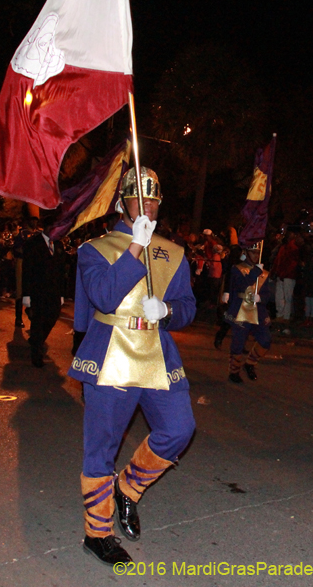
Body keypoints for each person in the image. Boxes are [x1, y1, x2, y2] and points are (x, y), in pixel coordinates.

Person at [68, 167, 196, 566]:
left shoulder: (173, 252)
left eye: (154, 199)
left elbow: (189, 307)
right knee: (101, 450)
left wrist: (170, 310)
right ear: (124, 203)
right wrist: (135, 250)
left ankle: (128, 489)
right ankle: (98, 533)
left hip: (157, 354)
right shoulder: (95, 249)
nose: (149, 206)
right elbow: (104, 298)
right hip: (112, 353)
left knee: (179, 429)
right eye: (140, 199)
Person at [22, 214, 68, 368]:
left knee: (52, 318)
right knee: (38, 322)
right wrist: (26, 295)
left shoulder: (59, 245)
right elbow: (27, 269)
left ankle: (37, 340)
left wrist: (62, 293)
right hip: (38, 291)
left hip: (54, 291)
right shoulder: (33, 243)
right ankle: (36, 354)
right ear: (47, 228)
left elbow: (62, 270)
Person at [225, 242, 273, 383]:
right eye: (253, 252)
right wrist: (255, 272)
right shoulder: (237, 269)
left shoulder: (263, 272)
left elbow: (267, 294)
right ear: (246, 252)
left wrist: (261, 298)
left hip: (258, 311)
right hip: (241, 310)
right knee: (238, 343)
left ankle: (250, 364)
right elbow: (242, 285)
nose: (255, 255)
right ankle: (234, 371)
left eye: (258, 253)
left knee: (265, 339)